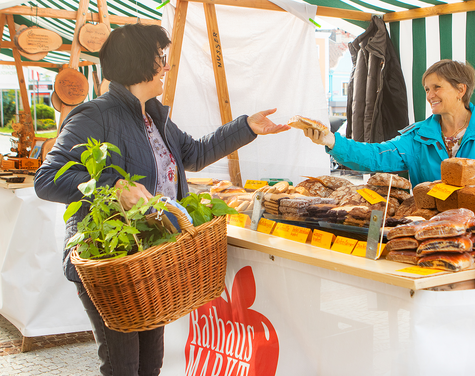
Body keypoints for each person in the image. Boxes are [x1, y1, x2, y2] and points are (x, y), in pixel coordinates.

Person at [34, 23, 289, 376]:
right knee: (123, 366)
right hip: (112, 261)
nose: (165, 66)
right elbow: (48, 178)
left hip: (148, 259)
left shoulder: (153, 115)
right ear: (139, 62)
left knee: (150, 365)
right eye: (160, 57)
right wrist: (113, 187)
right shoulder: (95, 115)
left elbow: (195, 153)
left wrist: (246, 127)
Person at [304, 59, 475, 209]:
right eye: (427, 89)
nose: (430, 95)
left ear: (461, 90)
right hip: (430, 232)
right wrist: (332, 141)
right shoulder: (418, 136)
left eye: (436, 87)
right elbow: (375, 155)